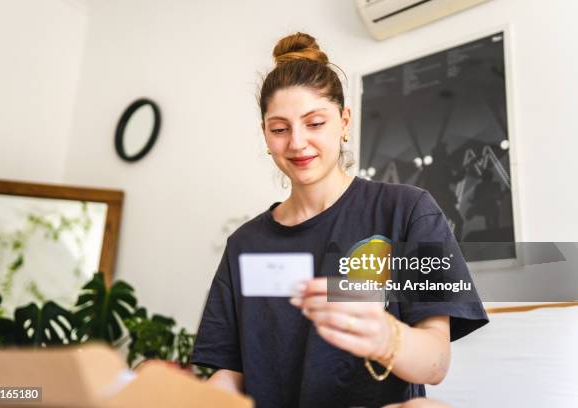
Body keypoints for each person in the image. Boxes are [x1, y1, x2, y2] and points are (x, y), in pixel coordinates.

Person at [190, 32, 489, 408]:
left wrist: (386, 337)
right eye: (279, 129)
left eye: (314, 123)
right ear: (266, 135)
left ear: (344, 122)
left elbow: (436, 362)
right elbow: (228, 375)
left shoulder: (407, 211)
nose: (297, 143)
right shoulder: (245, 246)